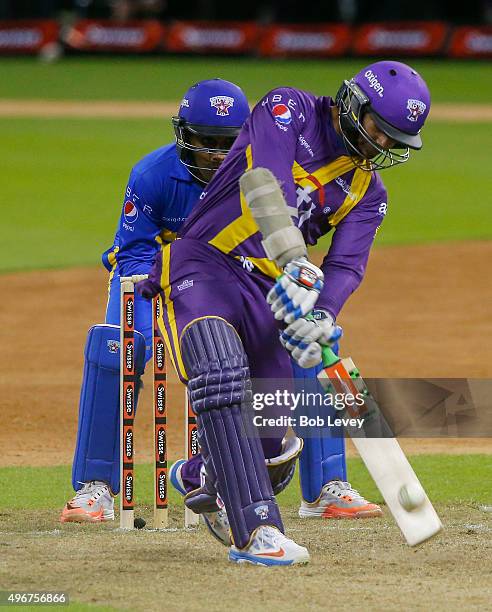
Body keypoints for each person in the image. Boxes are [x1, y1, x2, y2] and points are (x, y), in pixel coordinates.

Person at [138, 60, 431, 566]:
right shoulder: (288, 108)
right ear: (354, 106)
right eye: (381, 132)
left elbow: (346, 265)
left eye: (395, 143)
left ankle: (202, 473)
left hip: (269, 291)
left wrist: (322, 315)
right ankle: (258, 532)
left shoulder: (368, 194)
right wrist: (294, 258)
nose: (383, 147)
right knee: (220, 371)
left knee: (272, 447)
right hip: (205, 261)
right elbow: (264, 180)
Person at [60, 78, 250, 524]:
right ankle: (96, 488)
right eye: (205, 142)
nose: (216, 155)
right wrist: (174, 285)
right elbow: (131, 254)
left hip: (221, 280)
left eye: (227, 143)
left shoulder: (259, 178)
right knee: (119, 348)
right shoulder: (153, 174)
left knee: (265, 345)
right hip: (149, 278)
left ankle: (243, 480)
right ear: (183, 133)